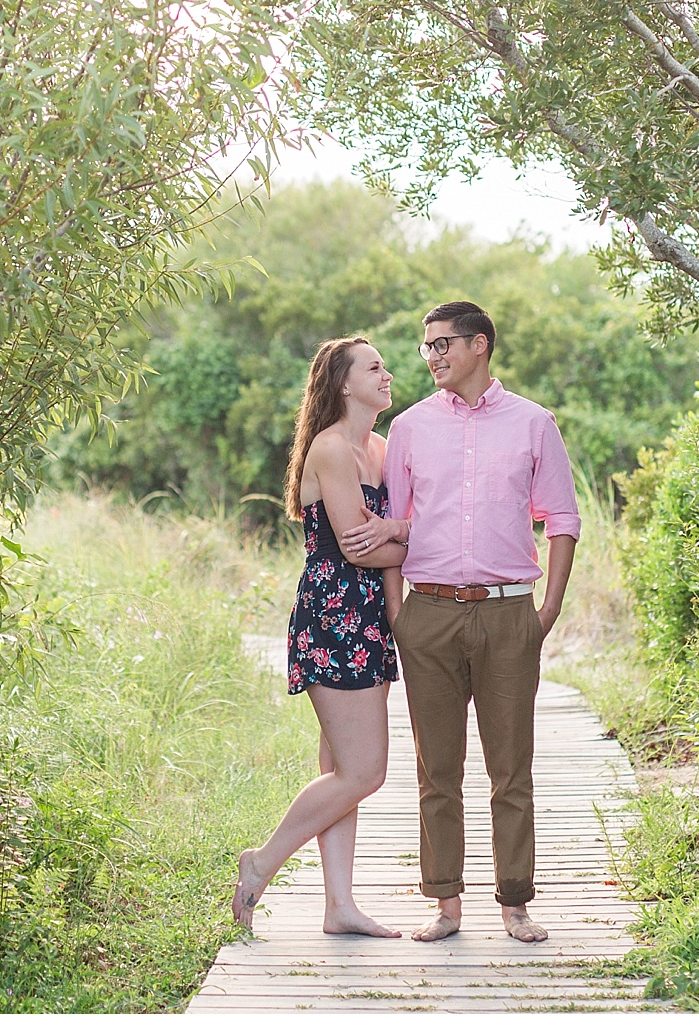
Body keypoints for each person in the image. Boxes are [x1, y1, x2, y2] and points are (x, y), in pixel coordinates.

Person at [340, 301, 579, 945]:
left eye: (444, 344)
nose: (433, 356)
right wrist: (399, 613)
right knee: (436, 770)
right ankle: (445, 903)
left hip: (508, 615)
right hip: (431, 615)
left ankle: (515, 903)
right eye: (427, 347)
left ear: (481, 345)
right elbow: (396, 524)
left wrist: (547, 608)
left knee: (512, 768)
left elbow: (562, 521)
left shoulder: (534, 424)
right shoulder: (413, 429)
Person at [231, 336, 412, 937]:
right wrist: (408, 536)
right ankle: (262, 861)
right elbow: (358, 548)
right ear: (342, 383)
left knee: (340, 764)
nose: (388, 374)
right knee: (364, 771)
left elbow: (380, 541)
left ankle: (339, 907)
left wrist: (395, 535)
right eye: (375, 367)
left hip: (370, 618)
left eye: (385, 365)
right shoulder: (332, 449)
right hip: (333, 617)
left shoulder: (382, 449)